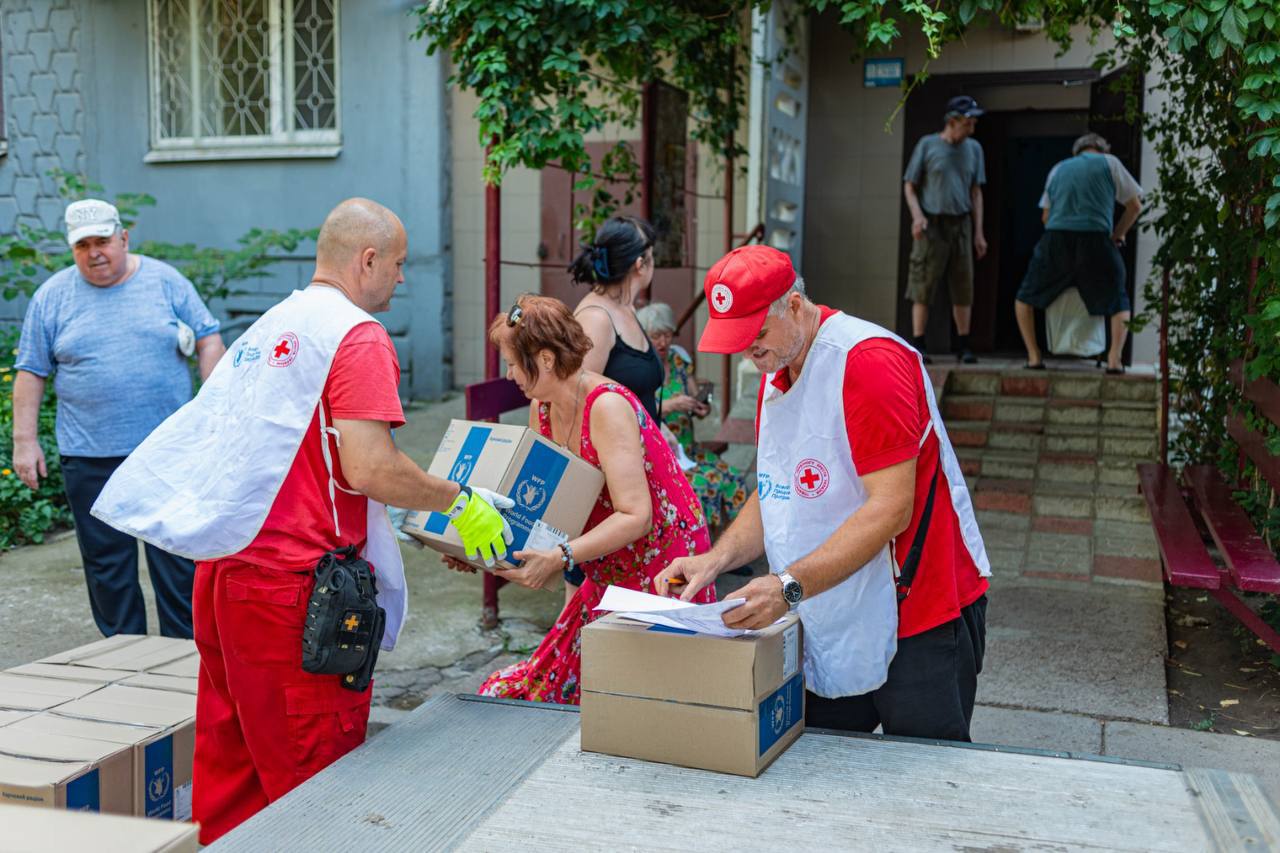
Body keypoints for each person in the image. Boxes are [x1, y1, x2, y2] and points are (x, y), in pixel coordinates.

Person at [89, 198, 514, 844]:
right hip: (298, 599)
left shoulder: (275, 326)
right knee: (316, 789)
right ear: (366, 259)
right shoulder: (358, 336)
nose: (402, 279)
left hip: (227, 576)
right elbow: (370, 465)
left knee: (234, 776)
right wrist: (456, 498)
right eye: (398, 265)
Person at [658, 245, 991, 742]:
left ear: (793, 304)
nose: (750, 351)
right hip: (829, 600)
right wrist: (716, 559)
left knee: (923, 773)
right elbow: (775, 488)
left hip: (919, 604)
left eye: (757, 334)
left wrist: (787, 585)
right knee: (816, 759)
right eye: (738, 339)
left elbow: (891, 508)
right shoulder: (782, 364)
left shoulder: (868, 362)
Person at [457, 295, 713, 705]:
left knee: (631, 699)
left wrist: (559, 557)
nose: (507, 376)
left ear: (543, 359)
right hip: (608, 562)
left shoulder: (607, 406)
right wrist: (475, 547)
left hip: (667, 560)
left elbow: (637, 516)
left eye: (510, 363)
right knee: (545, 688)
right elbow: (540, 501)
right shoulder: (541, 406)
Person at [11, 199, 225, 639]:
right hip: (89, 455)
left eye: (103, 241)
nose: (94, 253)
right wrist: (24, 441)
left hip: (166, 452)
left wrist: (215, 408)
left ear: (123, 238)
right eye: (82, 245)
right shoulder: (52, 296)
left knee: (177, 561)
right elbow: (31, 371)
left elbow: (208, 338)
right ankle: (122, 658)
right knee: (108, 569)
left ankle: (184, 657)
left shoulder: (166, 281)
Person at [1015, 132, 1143, 373]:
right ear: (1101, 149)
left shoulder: (1059, 168)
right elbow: (1134, 206)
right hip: (1096, 237)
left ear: (1077, 152)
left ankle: (1034, 357)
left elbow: (1045, 216)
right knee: (1118, 298)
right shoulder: (1110, 162)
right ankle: (1114, 360)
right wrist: (1117, 234)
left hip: (1056, 236)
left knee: (1025, 297)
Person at [636, 302, 749, 529]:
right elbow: (635, 410)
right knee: (702, 485)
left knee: (734, 478)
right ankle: (700, 547)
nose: (663, 342)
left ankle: (735, 540)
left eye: (668, 335)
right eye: (656, 336)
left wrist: (701, 406)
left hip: (689, 449)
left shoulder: (678, 360)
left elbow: (695, 395)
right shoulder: (639, 367)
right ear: (644, 335)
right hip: (663, 455)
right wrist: (669, 405)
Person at [903, 95, 988, 364]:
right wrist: (917, 216)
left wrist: (979, 232)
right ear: (953, 121)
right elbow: (910, 186)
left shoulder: (974, 149)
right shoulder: (928, 145)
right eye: (968, 122)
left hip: (961, 223)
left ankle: (964, 345)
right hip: (931, 223)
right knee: (923, 284)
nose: (972, 127)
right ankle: (919, 344)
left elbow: (976, 192)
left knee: (963, 284)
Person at [568, 215, 664, 423]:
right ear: (640, 264)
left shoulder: (625, 307)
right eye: (652, 255)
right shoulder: (596, 320)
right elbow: (575, 403)